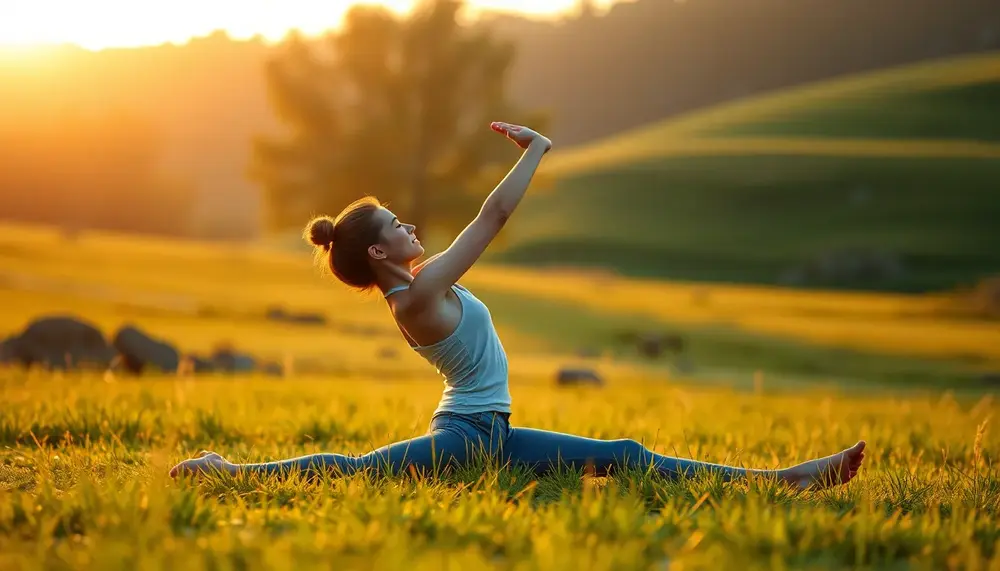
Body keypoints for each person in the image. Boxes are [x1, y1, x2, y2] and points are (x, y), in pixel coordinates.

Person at [170, 122, 866, 488]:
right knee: (355, 469)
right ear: (381, 255)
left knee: (622, 453)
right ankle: (228, 472)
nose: (410, 227)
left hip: (486, 434)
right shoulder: (419, 295)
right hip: (470, 438)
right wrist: (536, 150)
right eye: (398, 228)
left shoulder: (421, 285)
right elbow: (493, 215)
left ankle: (786, 477)